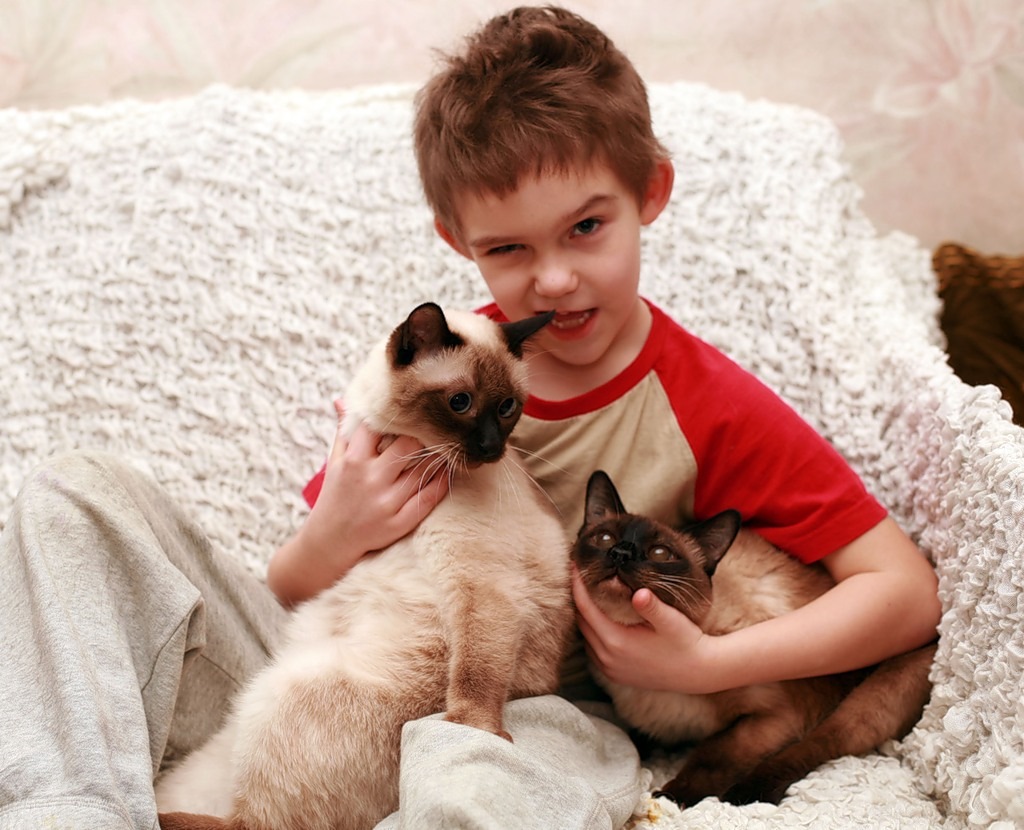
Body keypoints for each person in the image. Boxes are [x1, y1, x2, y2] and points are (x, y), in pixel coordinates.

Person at [0, 7, 940, 830]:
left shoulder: (705, 400)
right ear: (457, 240)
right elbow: (292, 594)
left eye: (587, 227)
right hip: (324, 668)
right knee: (75, 494)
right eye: (509, 248)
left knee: (484, 789)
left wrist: (700, 668)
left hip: (535, 709)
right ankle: (68, 807)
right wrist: (334, 531)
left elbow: (903, 593)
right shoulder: (438, 372)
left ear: (650, 193)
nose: (555, 279)